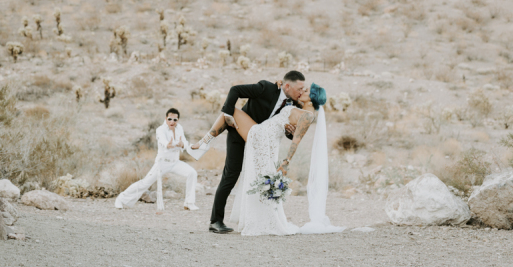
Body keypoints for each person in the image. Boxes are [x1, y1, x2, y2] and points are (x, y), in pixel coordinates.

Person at [191, 81, 344, 236]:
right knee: (254, 177)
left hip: (261, 137)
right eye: (301, 89)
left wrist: (286, 161)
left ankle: (204, 142)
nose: (302, 91)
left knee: (231, 111)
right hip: (264, 138)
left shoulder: (307, 116)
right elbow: (284, 118)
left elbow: (296, 140)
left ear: (311, 98)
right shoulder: (297, 108)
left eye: (305, 91)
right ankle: (255, 219)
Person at [188, 71, 306, 233]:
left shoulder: (293, 106)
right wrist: (228, 114)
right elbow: (235, 90)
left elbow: (282, 128)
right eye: (299, 88)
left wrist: (289, 131)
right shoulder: (266, 88)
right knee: (231, 175)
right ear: (287, 85)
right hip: (240, 134)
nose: (301, 92)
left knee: (257, 178)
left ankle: (257, 219)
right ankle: (215, 221)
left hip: (261, 145)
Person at [114, 108, 199, 211]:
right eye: (170, 119)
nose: (172, 122)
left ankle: (189, 203)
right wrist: (169, 144)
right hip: (162, 163)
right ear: (166, 118)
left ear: (178, 120)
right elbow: (163, 141)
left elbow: (184, 142)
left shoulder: (179, 128)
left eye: (175, 120)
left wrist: (183, 144)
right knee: (145, 183)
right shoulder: (160, 129)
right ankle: (121, 199)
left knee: (192, 173)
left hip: (175, 162)